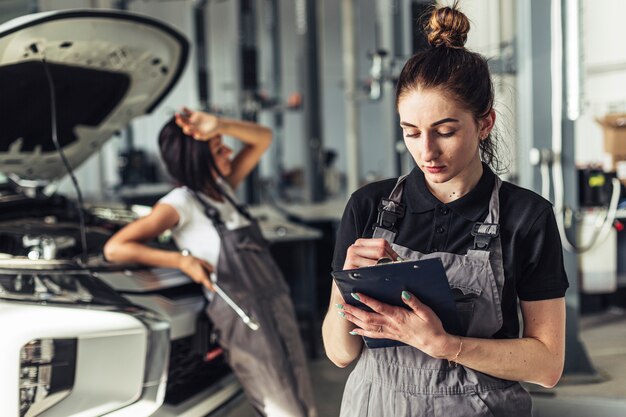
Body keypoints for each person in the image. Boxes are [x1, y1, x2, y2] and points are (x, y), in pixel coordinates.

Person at [322, 4, 568, 417]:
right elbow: (339, 353)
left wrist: (445, 345)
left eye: (446, 131)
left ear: (485, 123)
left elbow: (547, 365)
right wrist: (349, 286)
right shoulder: (368, 207)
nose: (427, 151)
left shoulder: (527, 216)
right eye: (411, 133)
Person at [104, 108, 317, 417]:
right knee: (284, 410)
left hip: (277, 305)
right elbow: (116, 247)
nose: (230, 150)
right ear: (197, 160)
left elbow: (263, 138)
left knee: (304, 401)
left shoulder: (223, 190)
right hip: (244, 320)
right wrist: (181, 260)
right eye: (219, 148)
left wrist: (218, 125)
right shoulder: (180, 204)